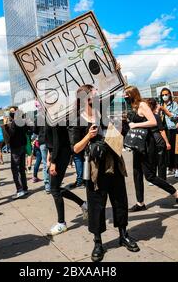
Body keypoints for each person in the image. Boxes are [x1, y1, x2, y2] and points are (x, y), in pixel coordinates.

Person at [69, 84, 139, 263]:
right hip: (95, 168)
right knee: (96, 205)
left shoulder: (105, 112)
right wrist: (88, 137)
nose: (97, 94)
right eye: (92, 92)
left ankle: (124, 235)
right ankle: (98, 242)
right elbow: (76, 148)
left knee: (120, 200)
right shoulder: (77, 119)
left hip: (114, 161)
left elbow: (118, 92)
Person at [124, 86, 178, 213]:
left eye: (126, 94)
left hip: (147, 145)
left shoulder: (142, 105)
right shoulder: (134, 107)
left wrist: (135, 124)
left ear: (133, 94)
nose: (124, 97)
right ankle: (140, 202)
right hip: (138, 145)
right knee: (137, 173)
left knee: (150, 176)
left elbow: (153, 122)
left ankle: (177, 194)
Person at [47, 122, 87, 236]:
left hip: (60, 155)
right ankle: (84, 205)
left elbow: (57, 141)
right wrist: (50, 155)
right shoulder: (50, 115)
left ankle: (61, 223)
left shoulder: (53, 116)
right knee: (55, 188)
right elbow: (50, 138)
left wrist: (53, 161)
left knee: (54, 190)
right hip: (59, 153)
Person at [159, 88, 178, 178]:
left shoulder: (174, 104)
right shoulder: (161, 104)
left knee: (174, 149)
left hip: (172, 129)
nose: (164, 96)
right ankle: (170, 167)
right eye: (163, 95)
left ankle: (177, 169)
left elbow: (175, 117)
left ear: (169, 95)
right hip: (163, 129)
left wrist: (165, 110)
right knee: (166, 150)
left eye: (166, 94)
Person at [146, 98, 171, 182]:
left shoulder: (145, 118)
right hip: (158, 140)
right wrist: (167, 143)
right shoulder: (156, 117)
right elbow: (161, 130)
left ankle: (153, 179)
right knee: (161, 161)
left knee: (152, 161)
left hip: (150, 141)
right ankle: (162, 179)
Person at [7, 106, 29, 199]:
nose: (11, 113)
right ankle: (24, 188)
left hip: (16, 148)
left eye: (12, 111)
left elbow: (11, 134)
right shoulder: (22, 121)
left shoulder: (14, 122)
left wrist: (5, 126)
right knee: (21, 168)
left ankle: (20, 190)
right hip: (22, 146)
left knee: (15, 169)